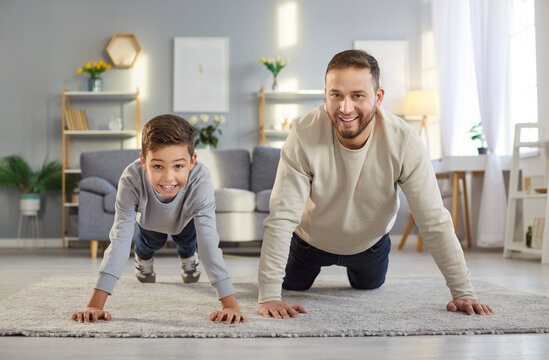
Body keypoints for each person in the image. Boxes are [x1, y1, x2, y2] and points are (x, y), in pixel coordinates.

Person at [257, 49, 493, 319]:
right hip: (308, 243)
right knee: (292, 287)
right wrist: (270, 296)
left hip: (369, 246)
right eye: (336, 95)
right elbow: (281, 218)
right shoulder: (303, 134)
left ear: (378, 97)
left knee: (368, 286)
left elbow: (433, 220)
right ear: (326, 93)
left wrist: (463, 292)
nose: (345, 108)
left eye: (358, 95)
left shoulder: (403, 140)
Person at [72, 114, 246, 324]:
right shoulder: (130, 180)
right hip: (150, 221)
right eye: (158, 166)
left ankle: (188, 258)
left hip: (186, 220)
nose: (168, 178)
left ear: (192, 162)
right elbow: (120, 239)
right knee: (147, 244)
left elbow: (209, 242)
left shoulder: (201, 181)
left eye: (178, 166)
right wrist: (94, 305)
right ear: (143, 161)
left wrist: (230, 305)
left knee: (188, 241)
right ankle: (143, 259)